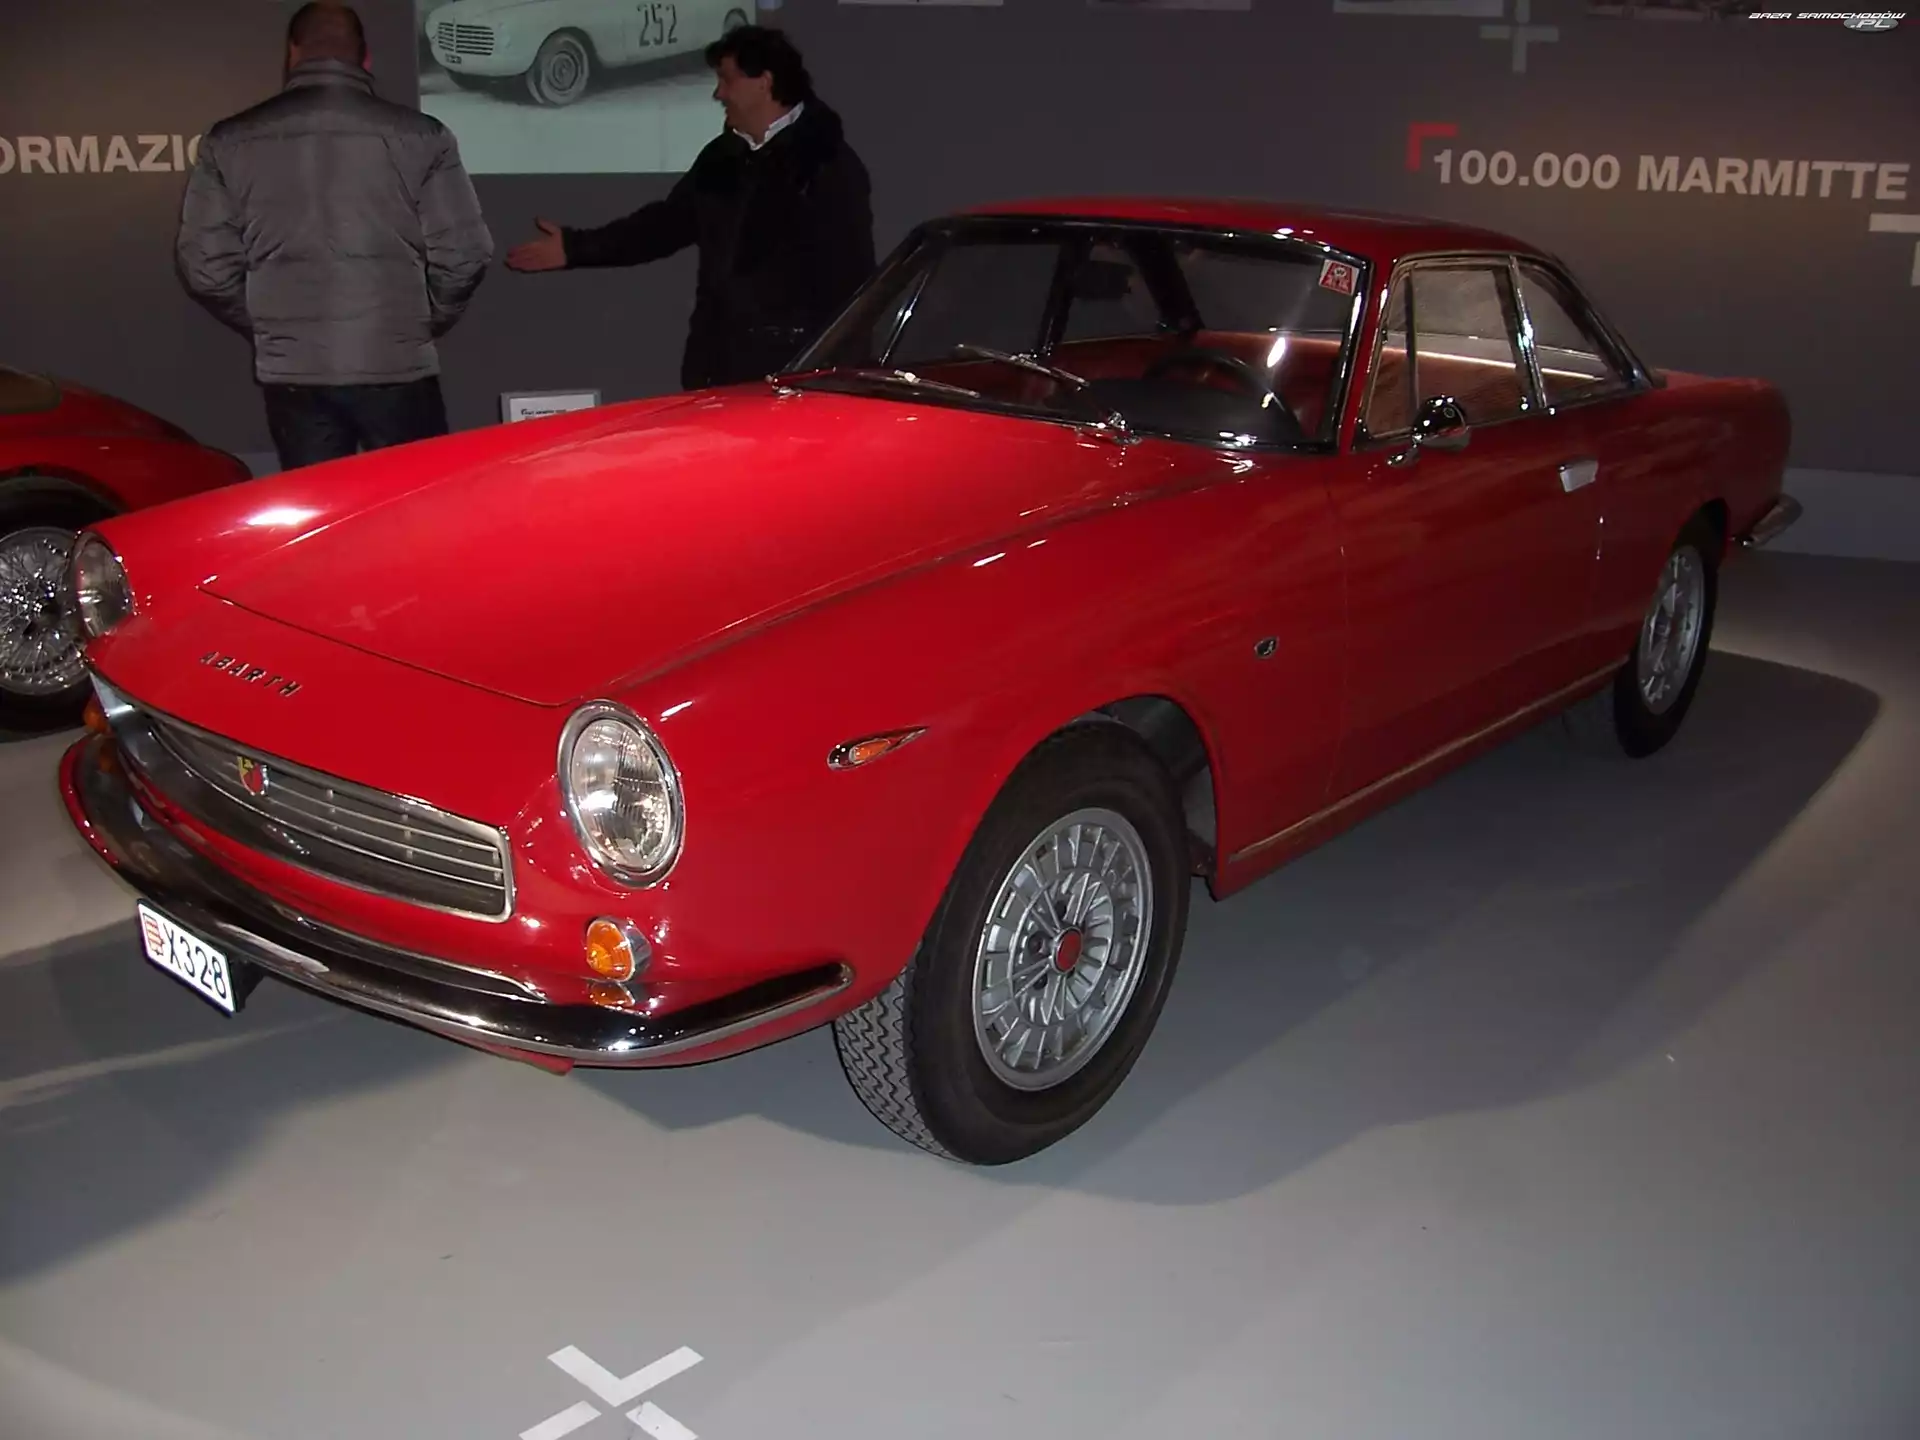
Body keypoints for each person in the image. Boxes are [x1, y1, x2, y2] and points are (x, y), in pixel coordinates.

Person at [175, 2, 493, 469]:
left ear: (292, 53)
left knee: (319, 509)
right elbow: (465, 255)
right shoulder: (424, 136)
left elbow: (205, 267)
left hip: (295, 372)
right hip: (396, 362)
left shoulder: (229, 139)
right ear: (366, 58)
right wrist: (423, 321)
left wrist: (273, 323)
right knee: (417, 502)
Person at [506, 26, 874, 391]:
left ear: (763, 82)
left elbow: (852, 283)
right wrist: (574, 247)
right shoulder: (722, 157)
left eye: (727, 80)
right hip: (720, 369)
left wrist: (836, 376)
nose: (718, 93)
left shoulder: (826, 164)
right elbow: (663, 226)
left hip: (797, 378)